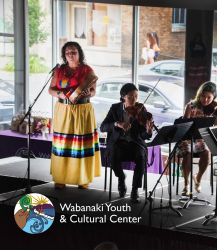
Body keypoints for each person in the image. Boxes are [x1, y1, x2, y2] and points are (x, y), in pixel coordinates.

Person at [49, 41, 101, 189]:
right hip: (63, 110)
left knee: (80, 144)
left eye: (73, 52)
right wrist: (59, 93)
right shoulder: (59, 71)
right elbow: (51, 90)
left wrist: (88, 93)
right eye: (67, 52)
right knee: (63, 143)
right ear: (64, 55)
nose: (70, 55)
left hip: (82, 110)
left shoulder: (87, 70)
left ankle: (82, 177)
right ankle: (60, 177)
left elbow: (93, 91)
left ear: (79, 53)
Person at [100, 83, 154, 203]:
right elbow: (103, 127)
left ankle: (135, 190)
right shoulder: (115, 109)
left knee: (141, 157)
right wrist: (117, 123)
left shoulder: (141, 110)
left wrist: (148, 131)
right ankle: (121, 177)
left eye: (136, 96)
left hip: (135, 143)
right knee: (113, 155)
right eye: (131, 97)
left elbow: (143, 136)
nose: (134, 100)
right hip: (119, 143)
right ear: (123, 96)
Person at [180, 82, 217, 196]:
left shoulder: (214, 109)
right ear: (199, 95)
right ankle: (186, 183)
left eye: (209, 97)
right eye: (203, 96)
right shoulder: (191, 106)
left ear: (213, 97)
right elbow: (184, 124)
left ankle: (198, 179)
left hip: (202, 138)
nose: (205, 100)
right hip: (189, 138)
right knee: (187, 155)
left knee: (207, 155)